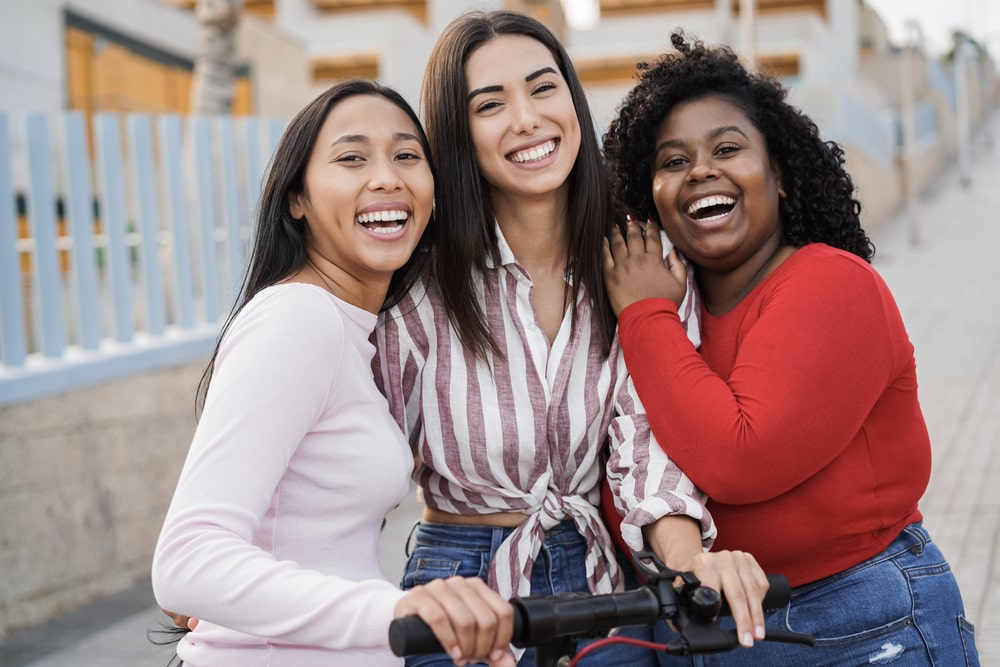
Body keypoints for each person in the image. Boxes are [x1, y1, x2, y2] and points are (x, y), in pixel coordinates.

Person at [374, 12, 769, 667]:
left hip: (605, 583)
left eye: (543, 87)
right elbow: (347, 461)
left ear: (574, 101)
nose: (527, 118)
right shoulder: (418, 285)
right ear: (457, 133)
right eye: (490, 104)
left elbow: (650, 447)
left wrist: (690, 562)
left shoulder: (643, 261)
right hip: (460, 590)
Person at [600, 31, 981, 666]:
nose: (700, 170)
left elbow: (741, 455)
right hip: (707, 626)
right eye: (672, 162)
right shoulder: (678, 309)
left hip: (857, 621)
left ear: (779, 174)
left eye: (727, 148)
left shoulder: (832, 284)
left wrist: (641, 313)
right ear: (652, 199)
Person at [151, 79, 515, 667]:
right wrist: (394, 612)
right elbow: (187, 562)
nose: (387, 178)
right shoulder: (298, 318)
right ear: (298, 198)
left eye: (406, 156)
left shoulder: (358, 331)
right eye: (352, 158)